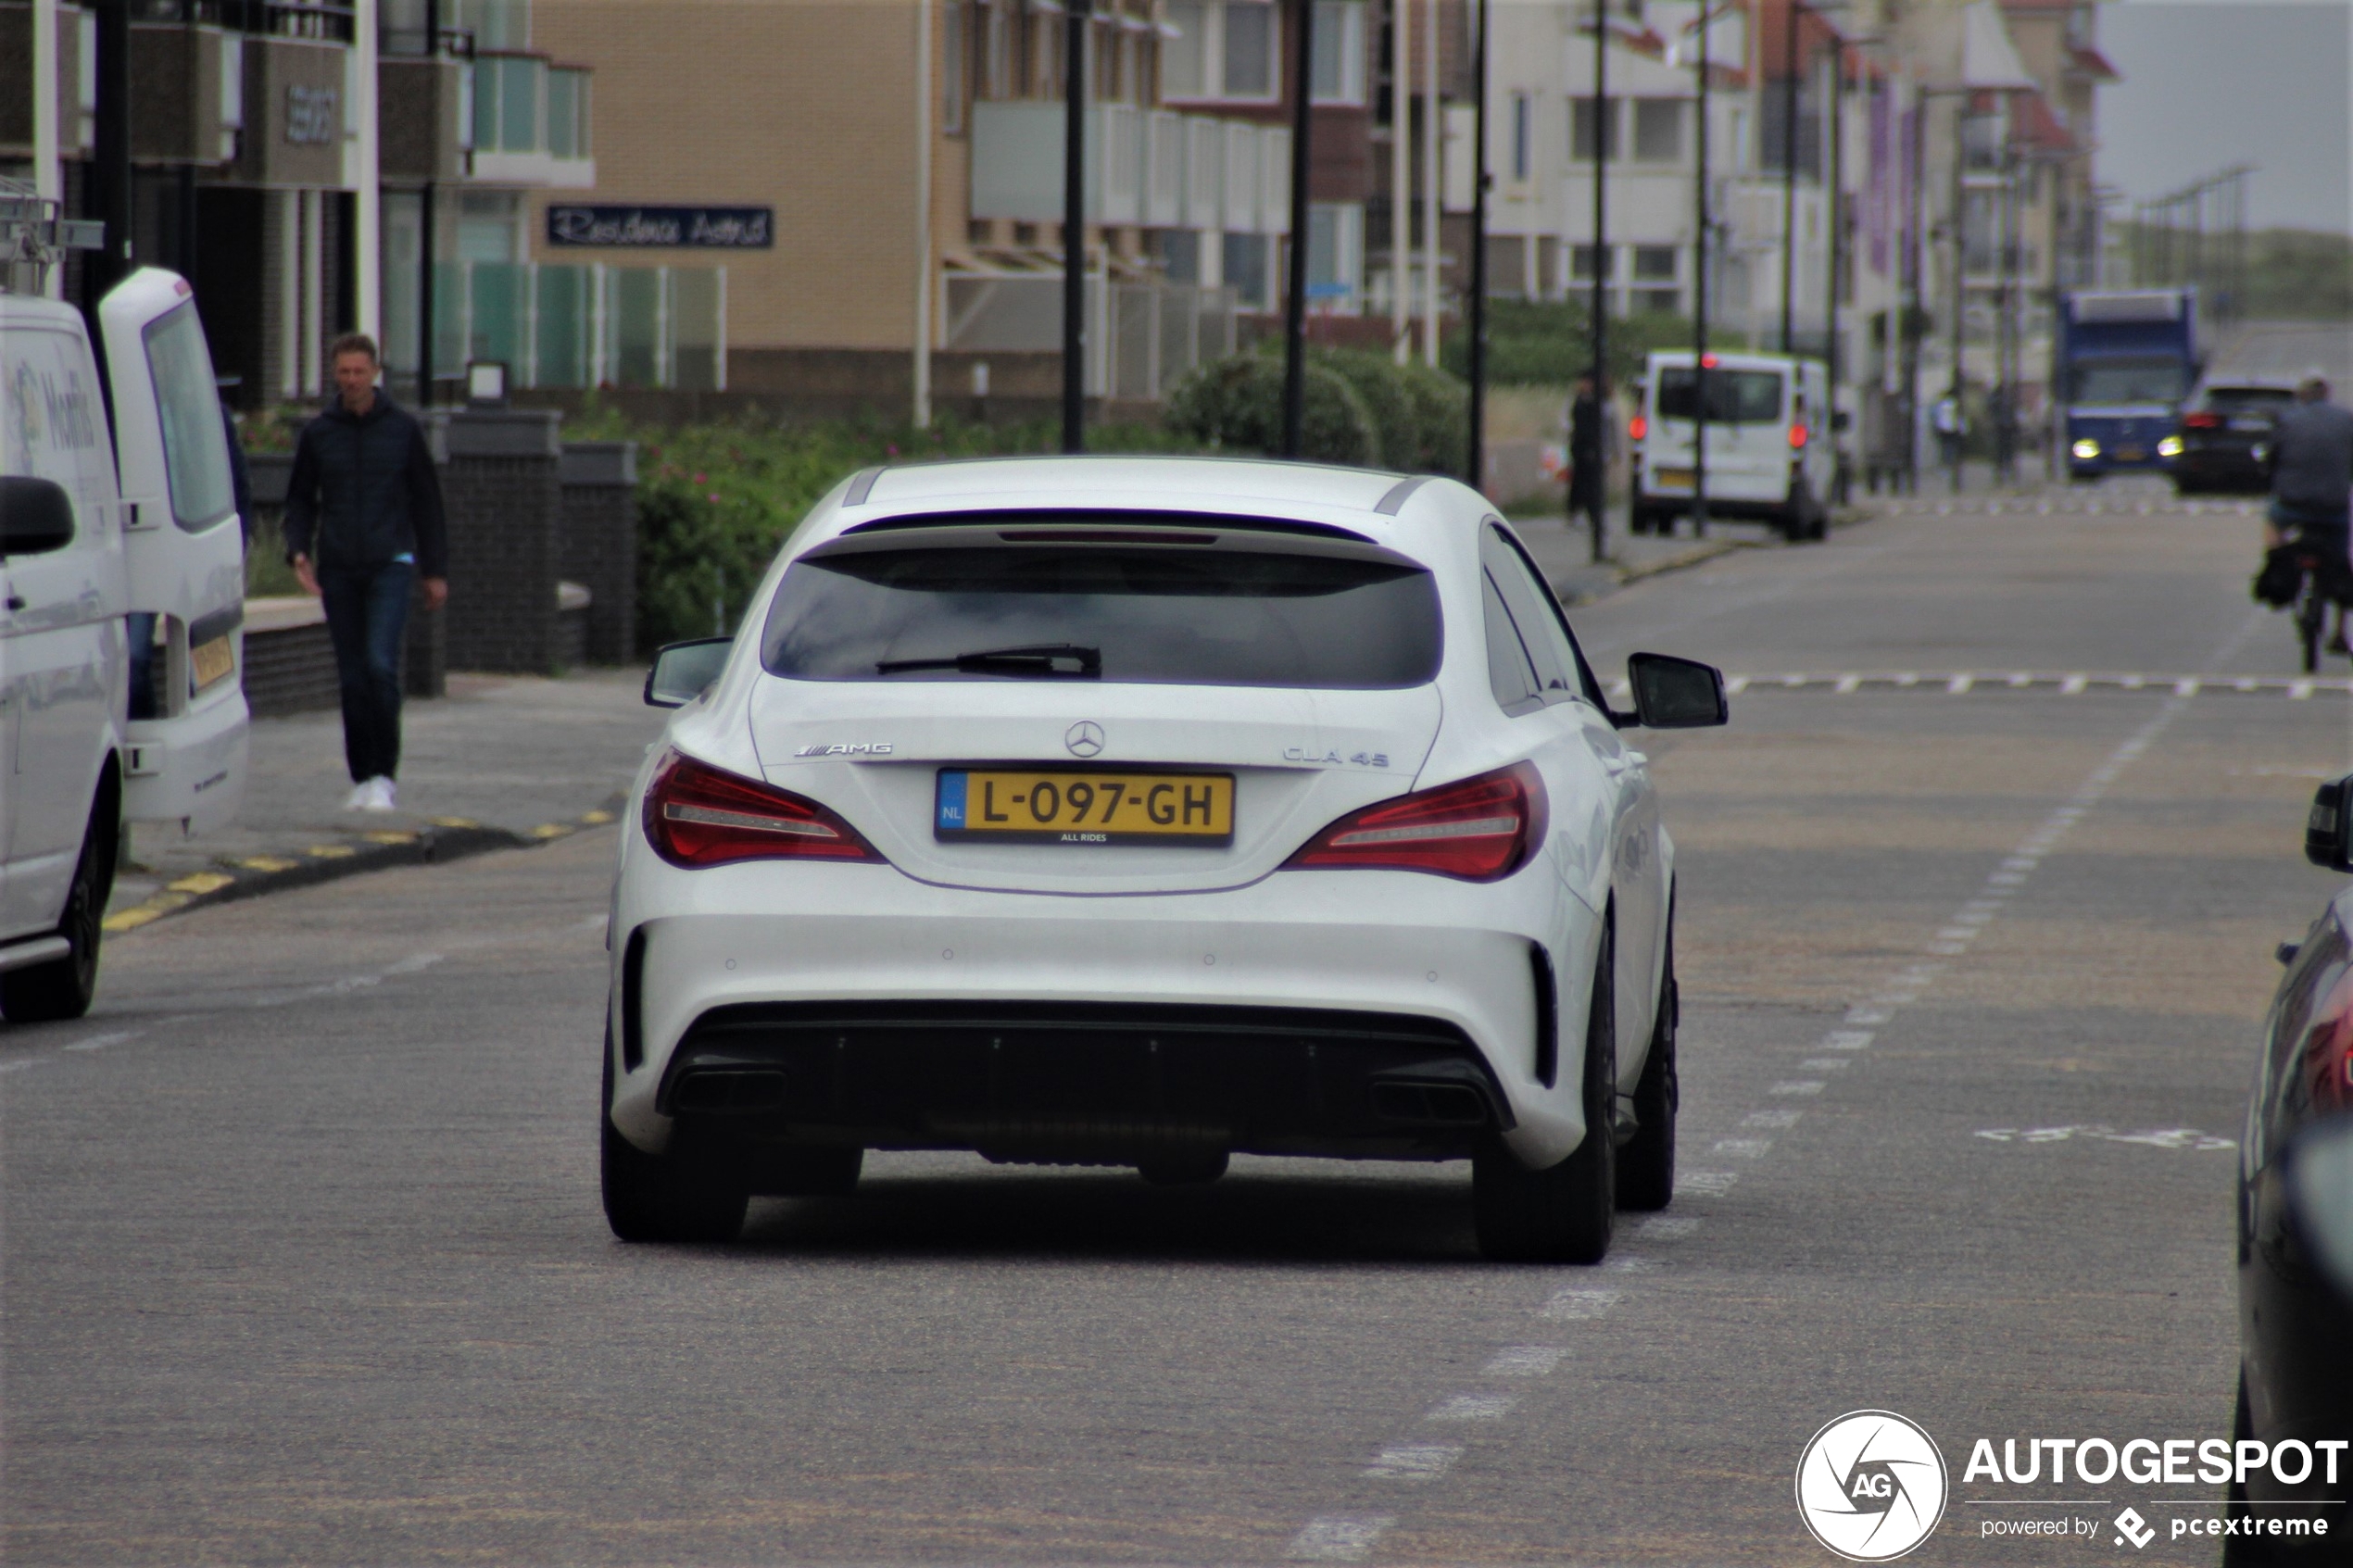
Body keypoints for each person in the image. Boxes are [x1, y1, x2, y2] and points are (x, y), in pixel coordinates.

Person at [283, 334, 449, 811]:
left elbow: (426, 502)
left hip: (389, 564)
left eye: (359, 372)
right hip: (338, 567)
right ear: (334, 376)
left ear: (375, 373)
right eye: (343, 373)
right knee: (353, 676)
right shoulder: (320, 434)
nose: (352, 381)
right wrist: (297, 551)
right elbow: (299, 499)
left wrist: (435, 570)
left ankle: (385, 776)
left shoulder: (402, 431)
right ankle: (361, 776)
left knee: (380, 665)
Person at [128, 401, 249, 721]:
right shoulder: (127, 413)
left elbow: (237, 487)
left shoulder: (208, 413)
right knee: (134, 657)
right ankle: (140, 736)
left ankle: (206, 740)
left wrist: (234, 552)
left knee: (208, 663)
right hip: (144, 553)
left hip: (198, 547)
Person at [2264, 374, 2353, 651]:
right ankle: (2339, 631)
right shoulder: (2346, 420)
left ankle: (2277, 563)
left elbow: (2271, 456)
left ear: (2302, 396)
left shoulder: (2287, 420)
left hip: (2293, 504)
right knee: (2341, 562)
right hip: (2333, 506)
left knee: (2272, 522)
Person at [1567, 371, 1606, 546]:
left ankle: (1593, 518)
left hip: (1590, 450)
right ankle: (1581, 515)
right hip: (1582, 451)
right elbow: (1581, 428)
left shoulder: (1594, 402)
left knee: (1590, 486)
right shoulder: (1581, 402)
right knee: (1582, 486)